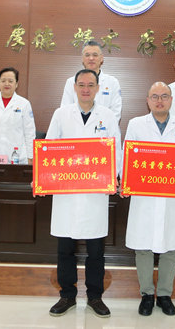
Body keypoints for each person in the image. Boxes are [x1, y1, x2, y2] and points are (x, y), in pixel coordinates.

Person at [46, 69, 121, 318]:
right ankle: (67, 295)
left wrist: (115, 176)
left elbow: (116, 150)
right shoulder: (61, 114)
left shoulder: (107, 116)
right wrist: (44, 178)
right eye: (81, 84)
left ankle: (95, 296)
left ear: (98, 88)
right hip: (66, 193)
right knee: (65, 248)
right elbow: (49, 148)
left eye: (90, 85)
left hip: (95, 193)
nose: (86, 89)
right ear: (74, 87)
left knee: (96, 250)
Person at [123, 82, 175, 317]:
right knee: (143, 246)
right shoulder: (136, 124)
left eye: (164, 96)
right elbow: (127, 157)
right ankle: (146, 294)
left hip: (172, 197)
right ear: (148, 100)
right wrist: (125, 181)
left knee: (170, 247)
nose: (159, 100)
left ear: (171, 100)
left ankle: (164, 295)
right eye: (155, 96)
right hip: (144, 197)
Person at [0, 67, 36, 164]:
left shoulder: (24, 104)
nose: (7, 84)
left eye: (10, 81)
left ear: (16, 84)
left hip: (17, 156)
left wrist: (31, 156)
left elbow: (29, 132)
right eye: (3, 81)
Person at [60, 40, 122, 121]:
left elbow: (115, 113)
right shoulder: (71, 82)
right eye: (87, 55)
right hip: (76, 127)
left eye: (95, 55)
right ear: (82, 58)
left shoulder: (112, 82)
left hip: (104, 128)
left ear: (101, 58)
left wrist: (100, 127)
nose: (91, 58)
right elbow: (65, 111)